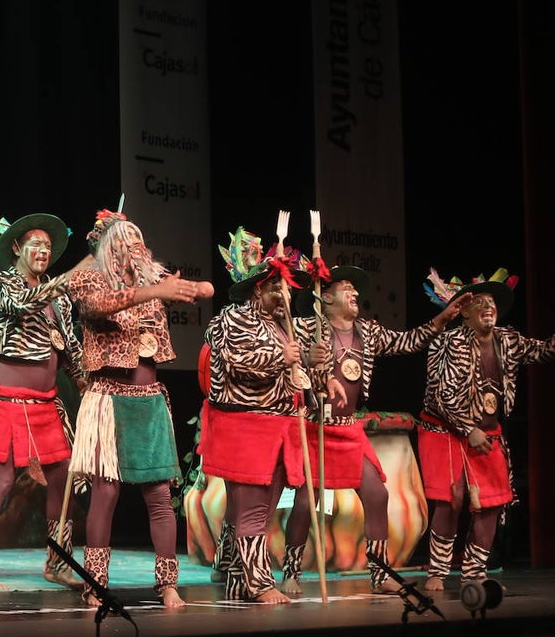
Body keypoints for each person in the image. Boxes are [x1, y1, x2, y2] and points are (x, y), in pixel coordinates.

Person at [281, 264, 471, 595]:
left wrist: (443, 319)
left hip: (349, 429)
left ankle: (380, 575)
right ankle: (291, 573)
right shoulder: (305, 328)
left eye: (356, 289)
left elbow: (408, 341)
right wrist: (308, 360)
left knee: (377, 494)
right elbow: (285, 361)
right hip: (316, 428)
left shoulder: (368, 332)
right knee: (304, 503)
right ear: (324, 298)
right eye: (346, 288)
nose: (355, 293)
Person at [66, 210, 213, 608]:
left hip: (148, 403)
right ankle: (94, 583)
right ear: (108, 248)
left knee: (160, 497)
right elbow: (98, 307)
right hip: (108, 399)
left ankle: (167, 584)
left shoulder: (154, 285)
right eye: (124, 241)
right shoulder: (88, 280)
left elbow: (202, 292)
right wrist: (156, 291)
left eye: (138, 241)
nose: (133, 248)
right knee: (106, 493)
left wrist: (193, 288)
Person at [201, 226, 343, 604]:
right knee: (252, 509)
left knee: (261, 511)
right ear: (256, 291)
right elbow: (236, 362)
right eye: (275, 289)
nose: (284, 296)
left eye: (286, 290)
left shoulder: (287, 326)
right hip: (244, 426)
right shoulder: (233, 318)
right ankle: (260, 583)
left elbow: (294, 377)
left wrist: (314, 368)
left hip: (279, 428)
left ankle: (238, 581)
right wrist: (283, 357)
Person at [0, 210, 85, 591]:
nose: (43, 251)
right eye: (35, 243)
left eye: (48, 246)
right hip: (6, 399)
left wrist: (86, 382)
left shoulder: (59, 299)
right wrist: (63, 282)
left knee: (61, 481)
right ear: (16, 247)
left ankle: (58, 562)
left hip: (45, 402)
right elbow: (22, 305)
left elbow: (70, 347)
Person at [419, 269, 555, 590]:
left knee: (492, 501)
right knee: (451, 499)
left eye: (492, 301)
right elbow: (441, 395)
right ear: (464, 311)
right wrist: (468, 429)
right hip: (445, 430)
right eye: (479, 301)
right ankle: (437, 572)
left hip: (486, 433)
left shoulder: (508, 340)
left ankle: (475, 572)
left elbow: (543, 350)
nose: (488, 306)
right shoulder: (449, 341)